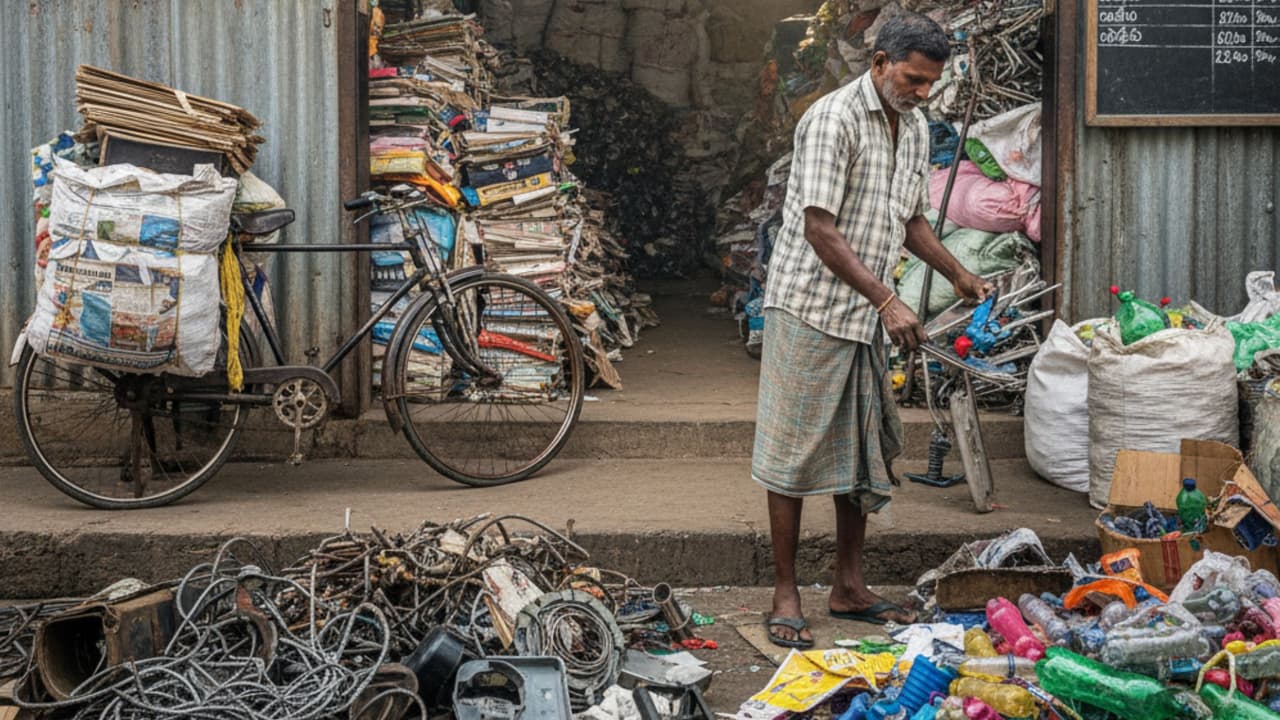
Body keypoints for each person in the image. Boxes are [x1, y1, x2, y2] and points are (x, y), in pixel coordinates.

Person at [753, 11, 993, 648]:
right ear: (880, 63)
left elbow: (909, 218)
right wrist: (889, 298)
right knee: (792, 453)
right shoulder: (832, 119)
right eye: (913, 79)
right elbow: (818, 227)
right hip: (809, 306)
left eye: (930, 84)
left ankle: (848, 586)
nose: (921, 93)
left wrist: (960, 274)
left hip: (863, 314)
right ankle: (785, 591)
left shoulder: (912, 127)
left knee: (859, 454)